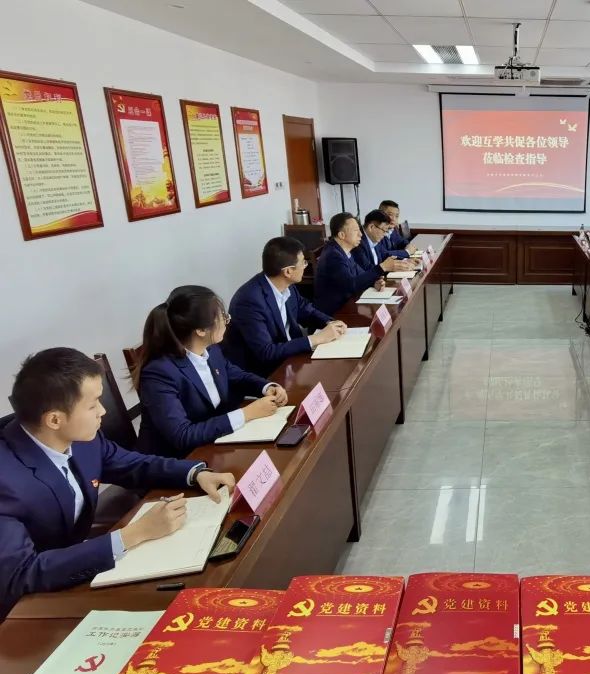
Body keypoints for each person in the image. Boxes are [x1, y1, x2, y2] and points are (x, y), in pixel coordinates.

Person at [0, 347, 236, 618]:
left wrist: (195, 473)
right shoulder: (6, 480)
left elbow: (132, 464)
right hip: (28, 610)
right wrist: (134, 534)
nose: (102, 411)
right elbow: (21, 575)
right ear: (54, 419)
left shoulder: (82, 438)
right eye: (92, 405)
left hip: (78, 568)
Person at [134, 285, 288, 458]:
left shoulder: (211, 349)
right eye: (222, 317)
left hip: (214, 444)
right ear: (201, 330)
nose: (226, 321)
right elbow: (182, 435)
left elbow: (235, 374)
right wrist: (246, 414)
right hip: (177, 460)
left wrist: (266, 387)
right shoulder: (158, 373)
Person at [222, 237, 348, 377]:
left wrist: (330, 322)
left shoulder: (286, 285)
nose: (305, 266)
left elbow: (305, 309)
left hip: (292, 358)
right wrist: (316, 339)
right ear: (288, 271)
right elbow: (266, 352)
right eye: (303, 262)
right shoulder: (249, 301)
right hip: (265, 373)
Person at [314, 212, 400, 316]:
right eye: (356, 231)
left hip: (348, 305)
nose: (360, 234)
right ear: (342, 235)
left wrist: (374, 282)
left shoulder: (345, 250)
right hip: (334, 313)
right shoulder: (333, 255)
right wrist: (382, 267)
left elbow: (360, 274)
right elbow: (351, 285)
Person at [351, 209, 415, 273]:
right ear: (371, 227)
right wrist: (390, 267)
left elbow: (385, 254)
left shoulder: (374, 238)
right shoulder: (358, 243)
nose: (384, 234)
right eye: (384, 230)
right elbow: (368, 269)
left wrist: (404, 261)